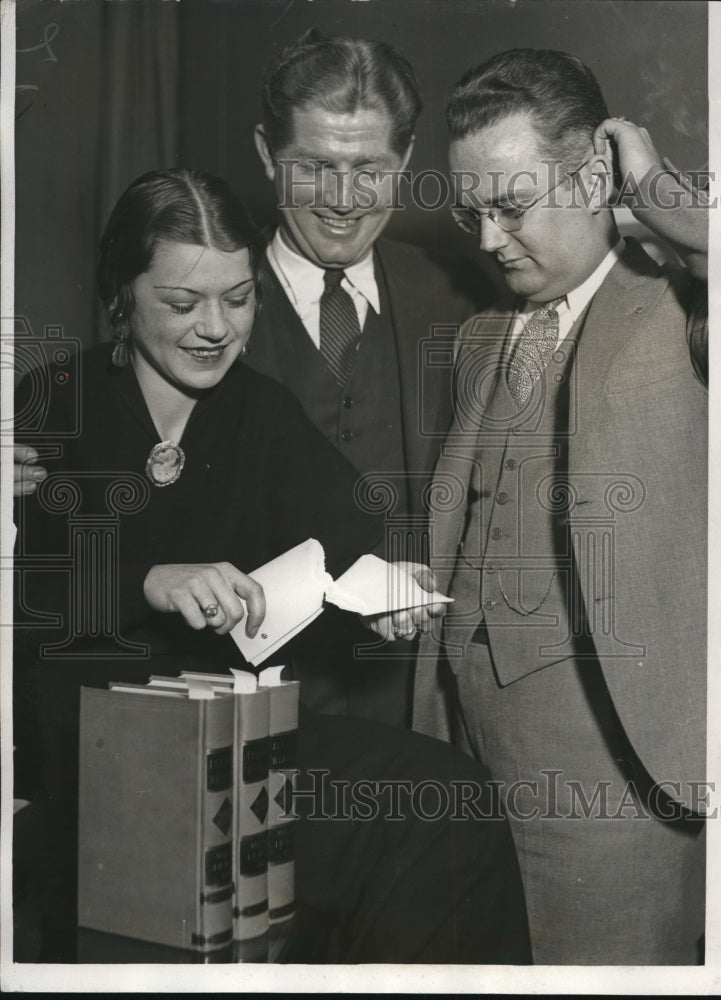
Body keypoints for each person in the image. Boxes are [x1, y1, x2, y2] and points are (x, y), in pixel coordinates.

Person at [12, 167, 530, 964]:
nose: (216, 327)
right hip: (94, 762)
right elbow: (26, 592)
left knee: (446, 801)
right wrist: (146, 580)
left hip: (232, 740)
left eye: (239, 297)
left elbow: (352, 540)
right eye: (183, 303)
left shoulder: (263, 413)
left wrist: (386, 592)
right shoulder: (52, 402)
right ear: (121, 294)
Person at [412, 49, 708, 964]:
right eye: (472, 212)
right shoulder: (479, 337)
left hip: (614, 785)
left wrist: (655, 186)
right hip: (466, 765)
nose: (489, 240)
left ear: (590, 176)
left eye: (511, 205)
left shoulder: (683, 312)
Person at [245, 30, 491, 726]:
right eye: (315, 167)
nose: (343, 200)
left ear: (406, 160)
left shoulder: (457, 296)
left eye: (370, 169)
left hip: (417, 705)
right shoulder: (198, 305)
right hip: (241, 704)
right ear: (267, 153)